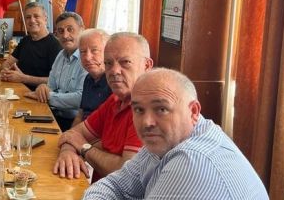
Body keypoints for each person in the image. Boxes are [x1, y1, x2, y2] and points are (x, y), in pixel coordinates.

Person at [82, 68, 268, 199]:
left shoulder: (193, 159)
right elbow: (115, 185)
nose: (147, 122)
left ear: (193, 111)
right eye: (139, 110)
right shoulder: (166, 141)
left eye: (161, 109)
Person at [54, 32, 153, 182]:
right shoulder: (115, 100)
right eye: (108, 63)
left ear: (147, 66)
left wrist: (83, 147)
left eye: (125, 62)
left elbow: (126, 173)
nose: (114, 71)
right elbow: (73, 133)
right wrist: (67, 152)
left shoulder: (149, 109)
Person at [24, 11, 88, 131]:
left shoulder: (87, 58)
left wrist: (48, 96)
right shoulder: (60, 55)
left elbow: (81, 98)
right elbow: (50, 86)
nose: (65, 35)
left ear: (82, 30)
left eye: (70, 29)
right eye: (60, 31)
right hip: (53, 115)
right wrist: (42, 88)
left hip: (75, 123)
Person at [0, 2, 62, 90]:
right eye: (28, 17)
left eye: (36, 16)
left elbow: (57, 81)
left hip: (39, 95)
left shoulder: (55, 45)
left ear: (45, 19)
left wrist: (23, 78)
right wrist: (6, 71)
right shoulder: (25, 40)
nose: (32, 20)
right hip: (18, 90)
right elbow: (7, 63)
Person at [71, 29, 111, 127]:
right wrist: (70, 133)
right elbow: (80, 114)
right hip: (82, 131)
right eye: (83, 52)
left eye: (94, 50)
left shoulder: (113, 81)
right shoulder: (88, 78)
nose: (87, 57)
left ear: (108, 52)